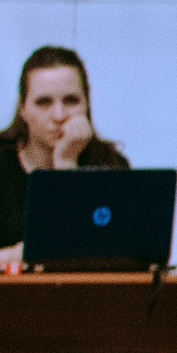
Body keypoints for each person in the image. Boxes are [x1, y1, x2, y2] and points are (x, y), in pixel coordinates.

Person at [1, 47, 130, 272]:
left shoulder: (110, 165)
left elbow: (125, 253)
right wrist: (12, 255)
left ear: (86, 103)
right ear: (23, 108)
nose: (59, 115)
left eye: (71, 100)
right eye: (43, 102)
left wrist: (66, 165)